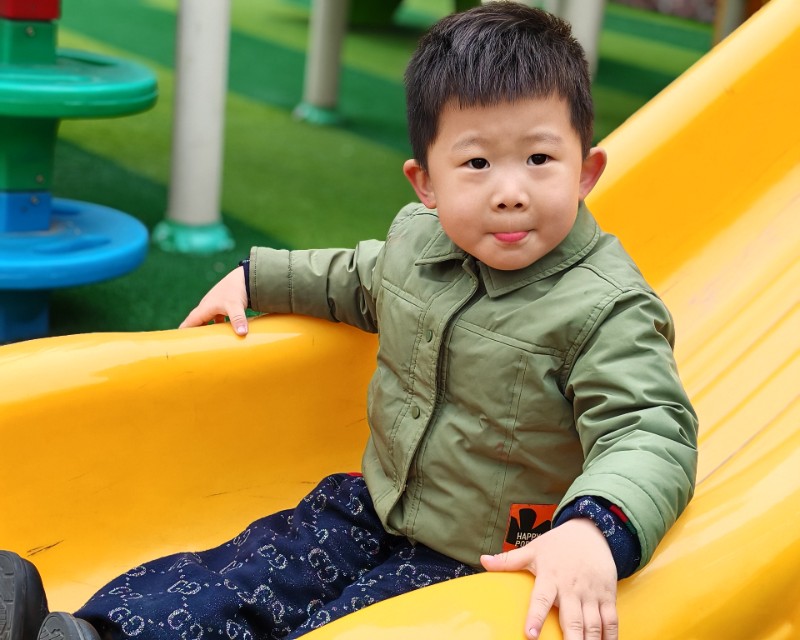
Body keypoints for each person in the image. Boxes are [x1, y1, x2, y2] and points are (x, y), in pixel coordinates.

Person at [0, 3, 698, 639]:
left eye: (540, 159)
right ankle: (87, 633)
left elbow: (649, 429)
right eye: (478, 162)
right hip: (377, 504)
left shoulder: (606, 307)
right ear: (426, 183)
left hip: (483, 559)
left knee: (349, 625)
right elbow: (355, 277)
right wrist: (255, 276)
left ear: (586, 171)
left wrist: (593, 529)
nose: (510, 191)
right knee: (244, 573)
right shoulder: (419, 243)